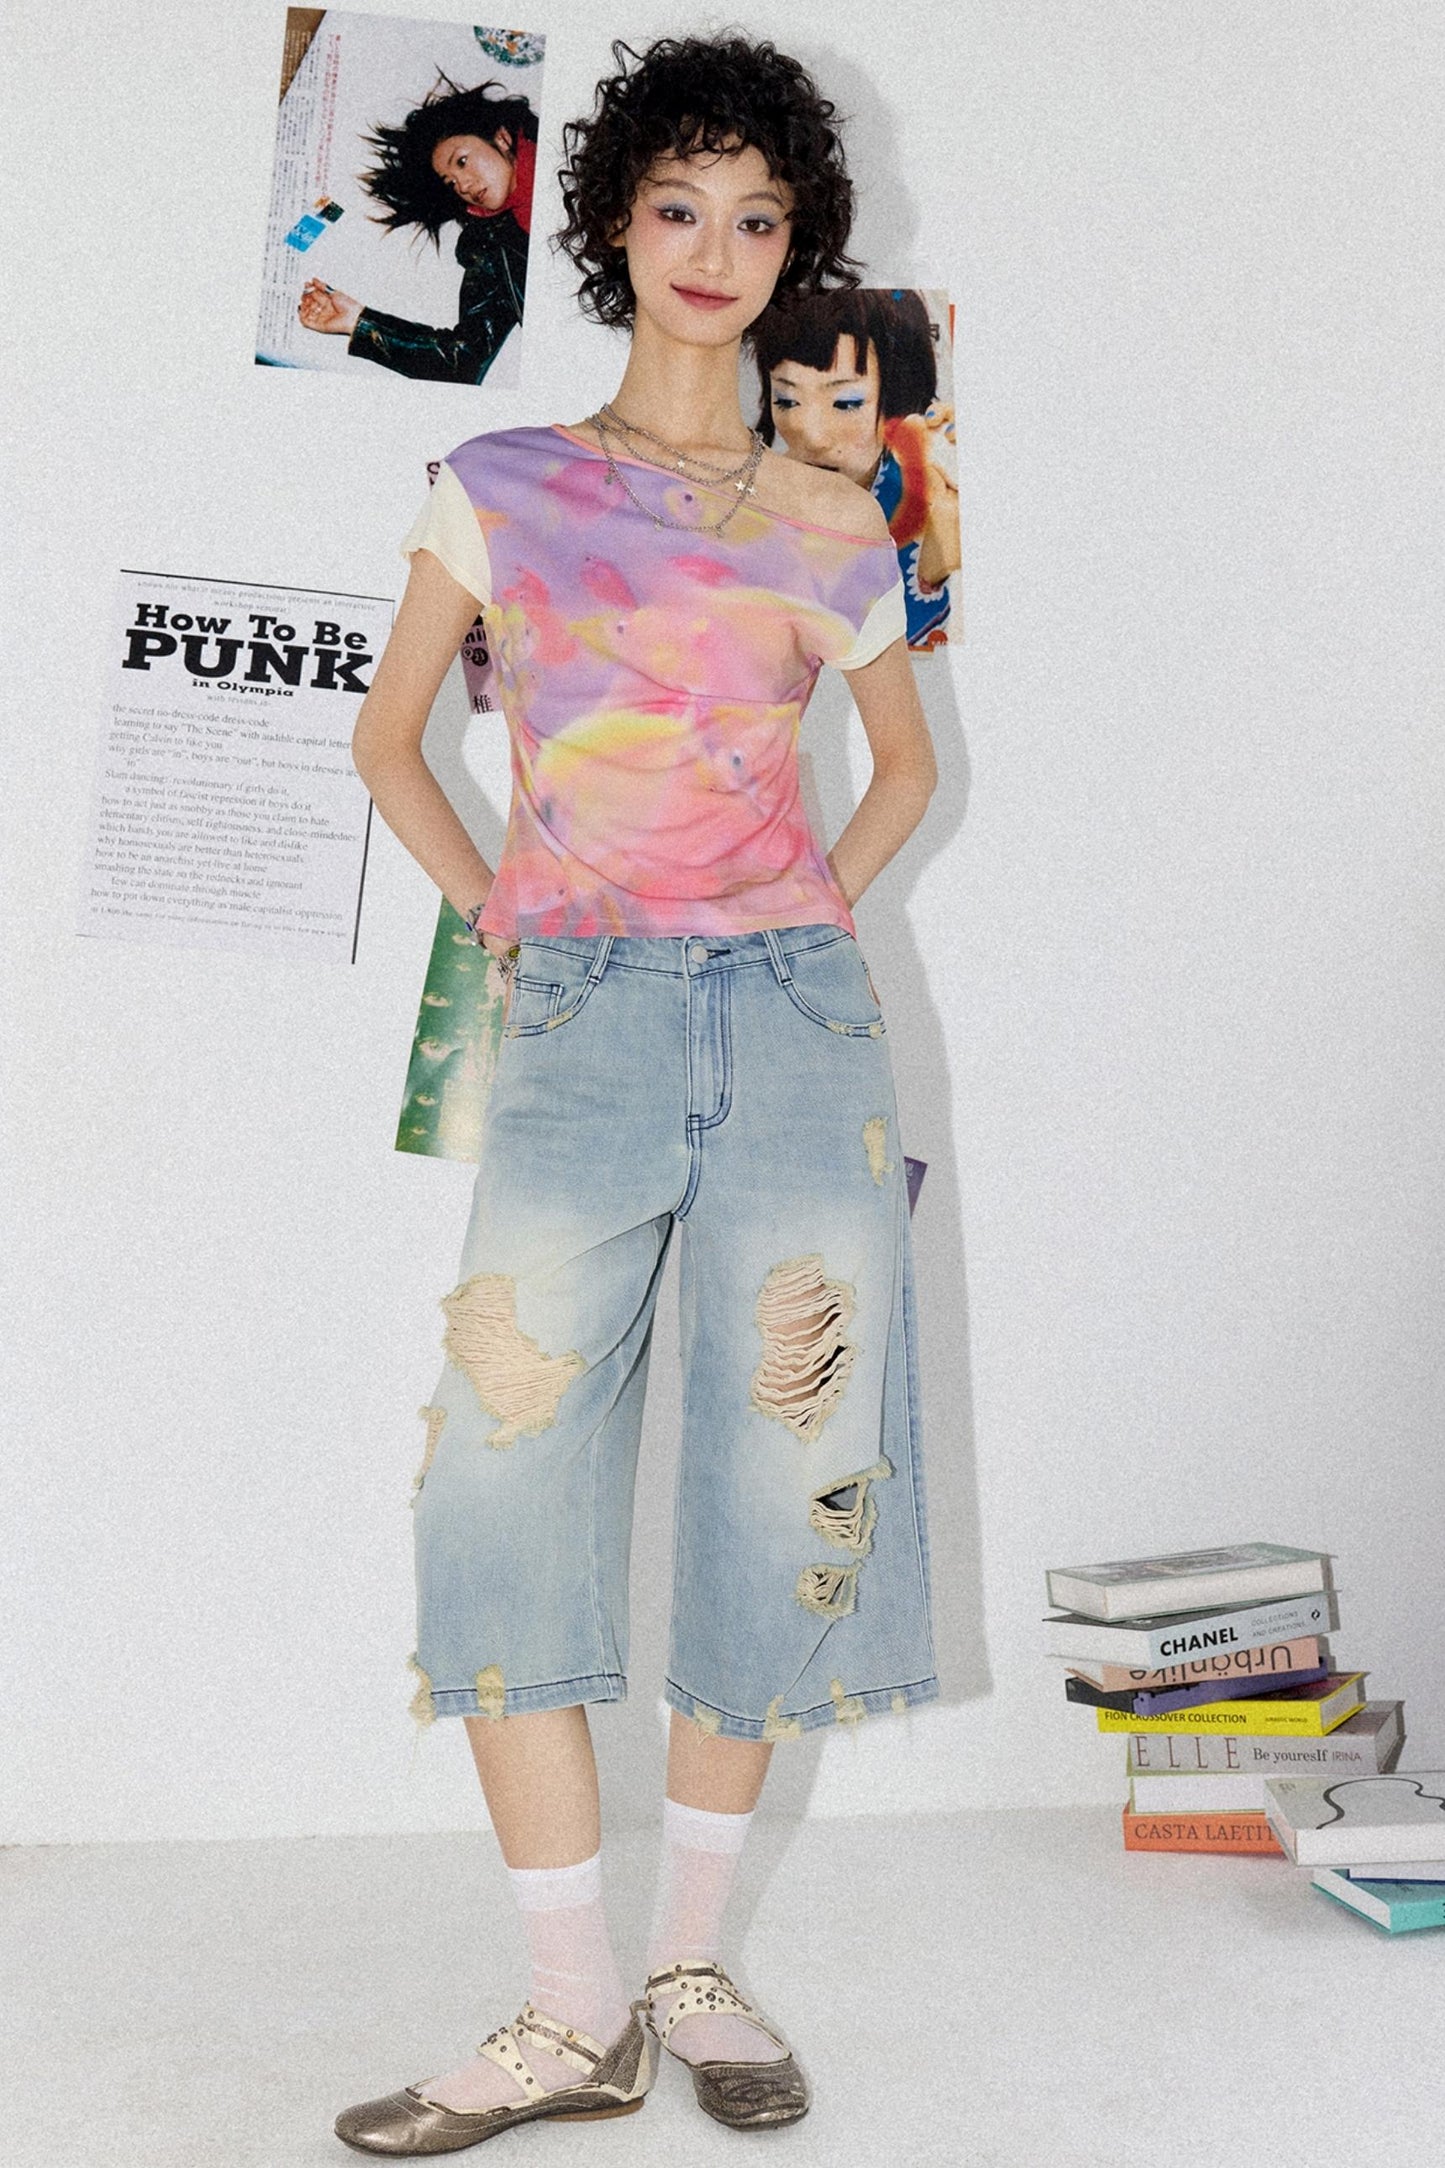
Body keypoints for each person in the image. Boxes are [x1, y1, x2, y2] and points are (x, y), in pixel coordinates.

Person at [334, 31, 939, 2156]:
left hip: (791, 1019)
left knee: (786, 1466)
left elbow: (905, 768)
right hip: (581, 1008)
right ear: (612, 222)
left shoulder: (829, 508)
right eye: (678, 204)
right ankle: (569, 2006)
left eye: (757, 217)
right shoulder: (503, 483)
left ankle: (685, 1962)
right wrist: (505, 903)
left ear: (795, 250)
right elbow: (389, 736)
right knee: (497, 1473)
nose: (714, 248)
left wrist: (802, 914)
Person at [754, 287, 960, 648]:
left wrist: (934, 572)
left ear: (897, 398)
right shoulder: (750, 502)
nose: (813, 436)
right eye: (786, 400)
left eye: (846, 403)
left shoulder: (938, 500)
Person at [298, 74, 536, 383]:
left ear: (501, 138)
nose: (463, 185)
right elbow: (463, 359)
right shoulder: (490, 247)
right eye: (451, 183)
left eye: (462, 161)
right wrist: (357, 321)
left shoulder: (567, 145)